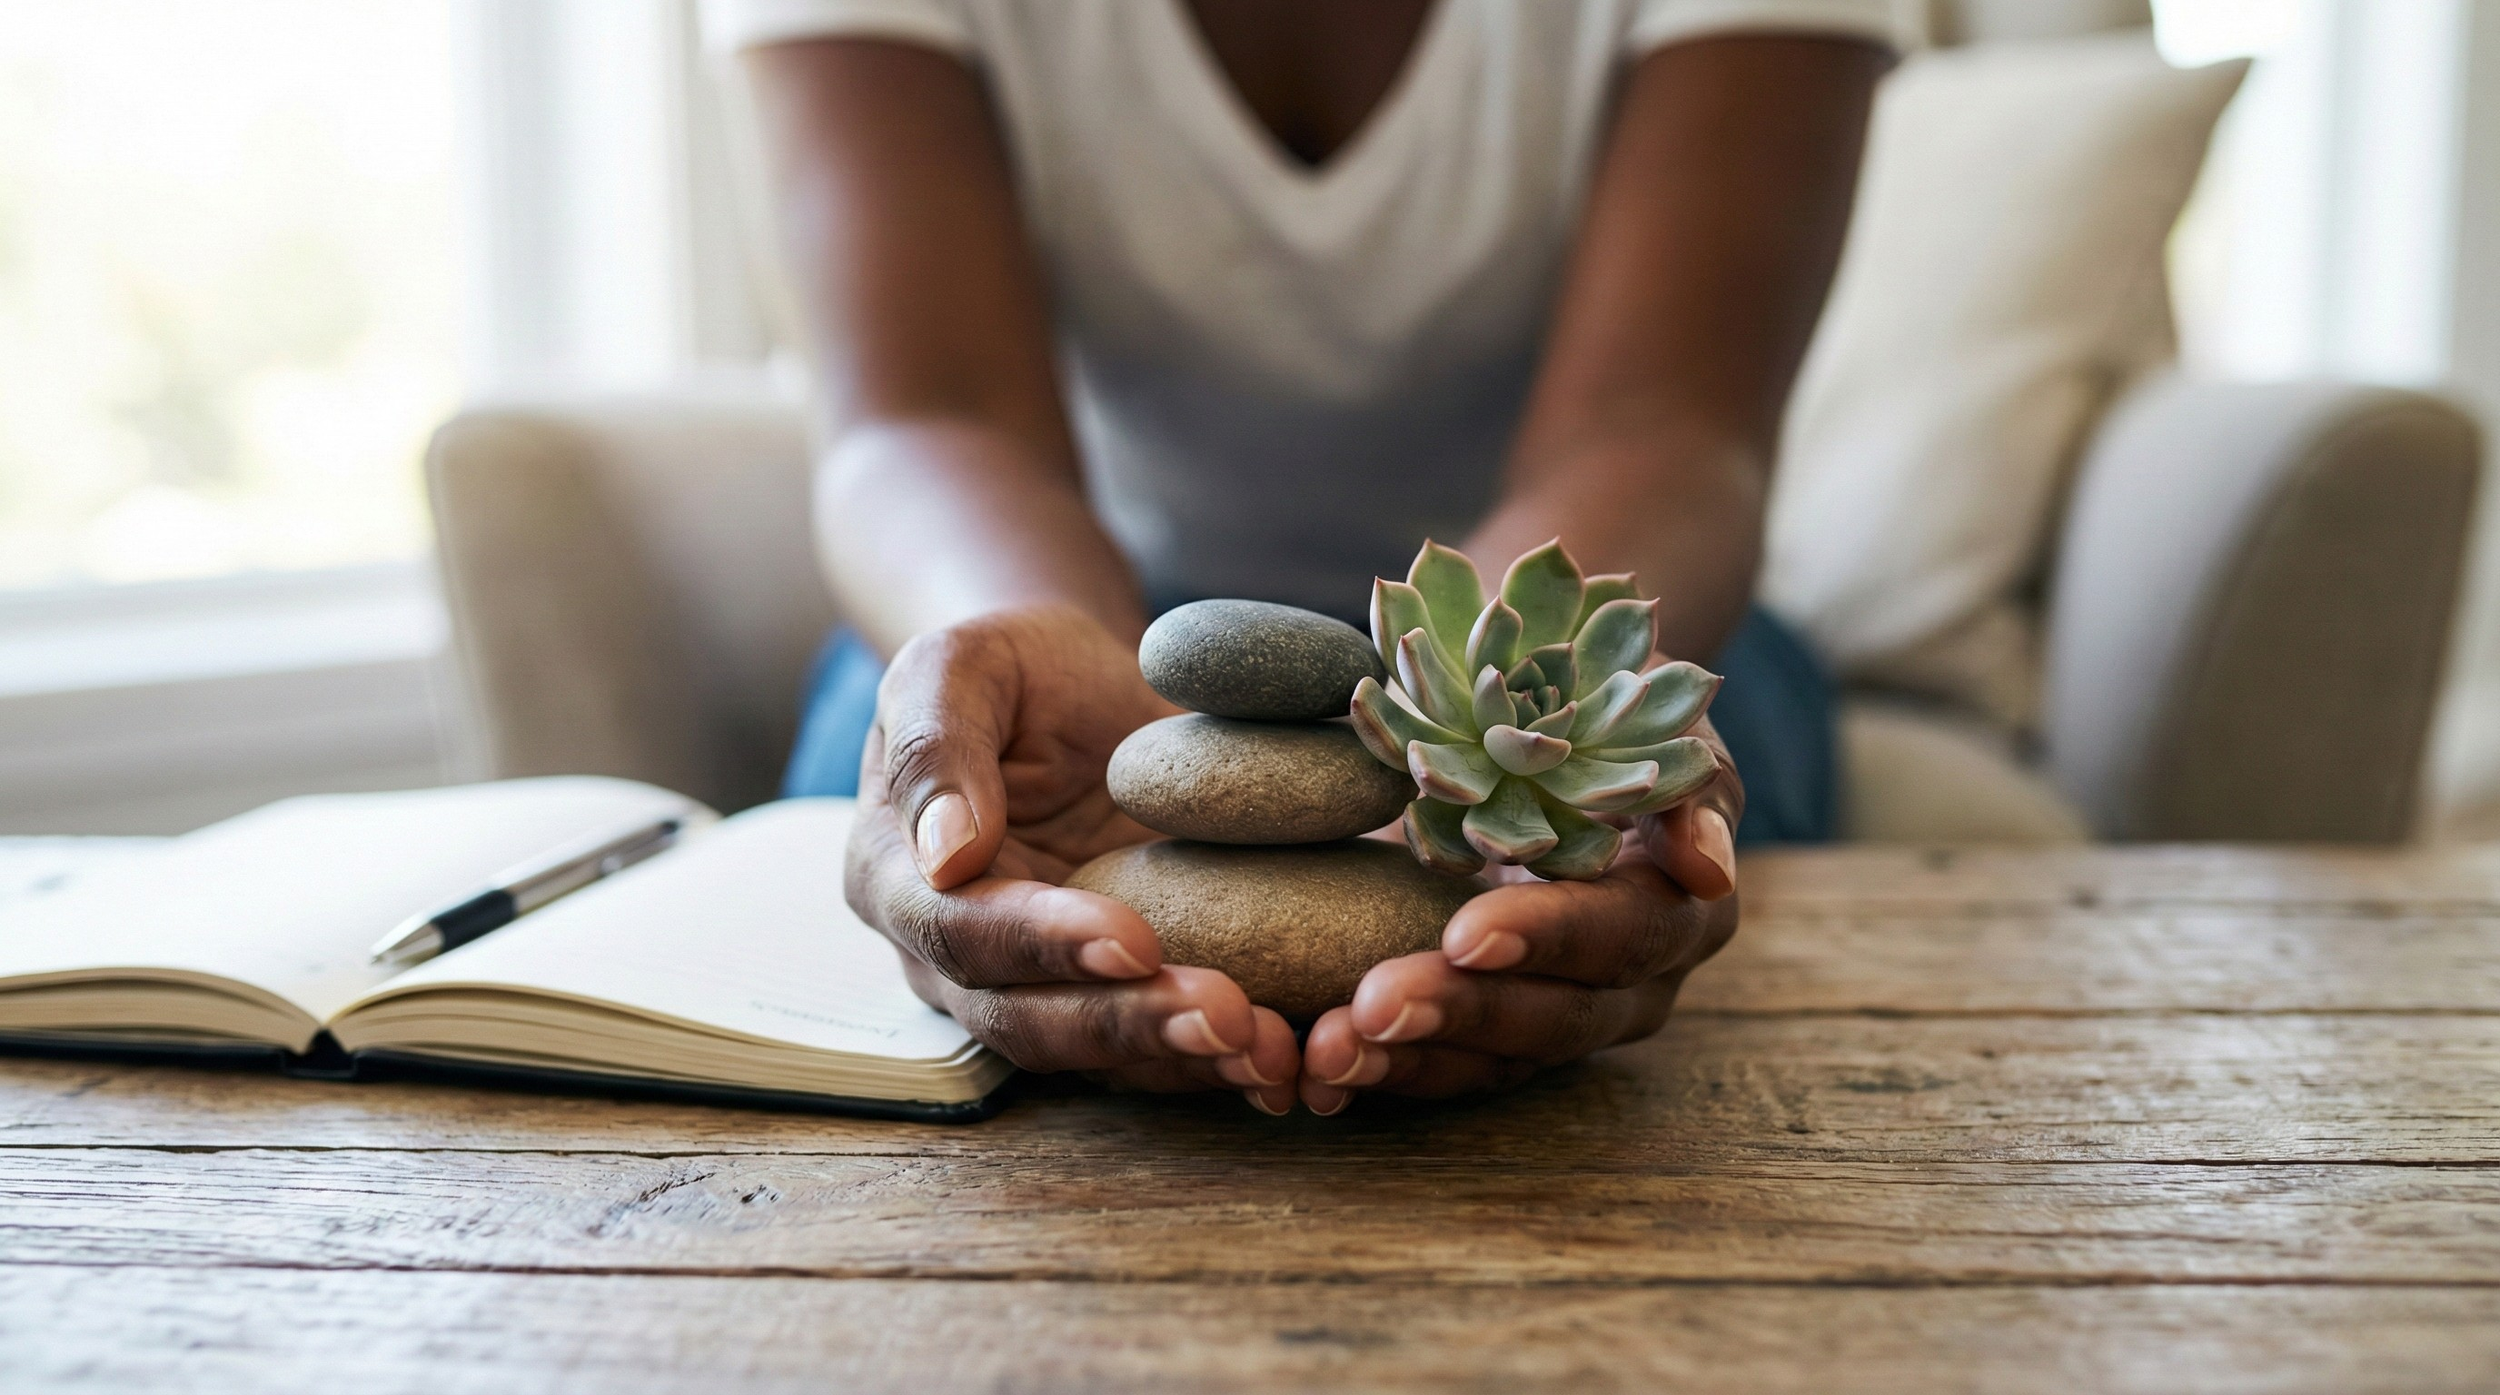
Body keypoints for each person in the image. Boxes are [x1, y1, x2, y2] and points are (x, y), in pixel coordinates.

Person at [711, 0, 1893, 1115]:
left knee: (1651, 928)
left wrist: (1485, 747)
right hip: (1065, 590)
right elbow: (927, 416)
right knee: (904, 874)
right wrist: (1020, 646)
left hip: (1573, 650)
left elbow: (1667, 428)